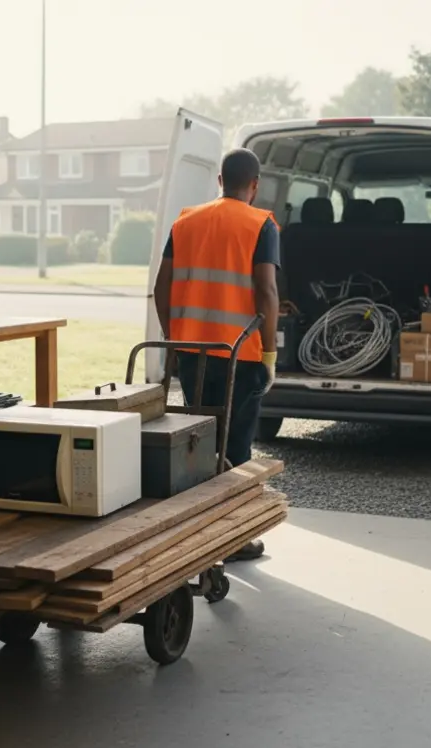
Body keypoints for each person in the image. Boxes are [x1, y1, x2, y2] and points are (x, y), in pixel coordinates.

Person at [153, 149, 279, 562]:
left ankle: (200, 530)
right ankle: (234, 539)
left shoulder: (186, 221)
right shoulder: (260, 223)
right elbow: (266, 292)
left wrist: (174, 339)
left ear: (220, 181)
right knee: (236, 446)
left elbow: (161, 288)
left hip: (192, 353)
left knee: (201, 442)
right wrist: (271, 352)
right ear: (254, 186)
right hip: (240, 354)